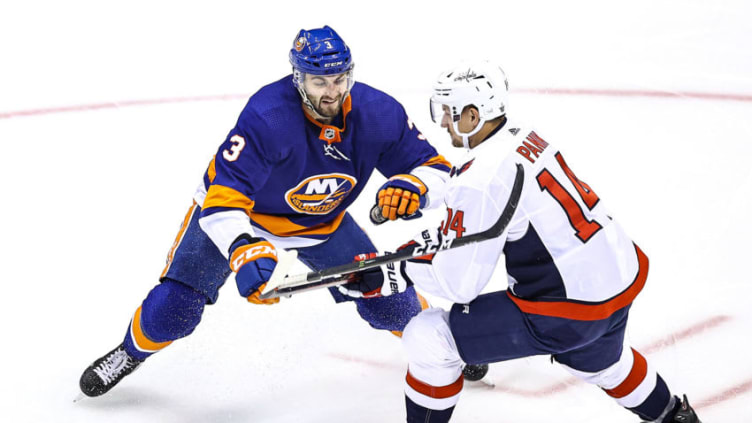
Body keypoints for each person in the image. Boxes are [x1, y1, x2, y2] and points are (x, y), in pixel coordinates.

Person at [78, 25, 455, 397]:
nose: (332, 92)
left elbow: (437, 169)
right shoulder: (269, 116)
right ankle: (129, 354)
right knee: (175, 307)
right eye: (319, 82)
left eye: (339, 79)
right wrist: (244, 247)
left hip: (323, 222)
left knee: (386, 296)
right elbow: (224, 199)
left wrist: (415, 186)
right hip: (244, 218)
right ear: (298, 78)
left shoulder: (379, 113)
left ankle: (442, 344)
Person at [345, 61, 701, 422]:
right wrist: (423, 190)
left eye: (448, 112)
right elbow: (479, 188)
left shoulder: (481, 179)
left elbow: (459, 282)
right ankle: (674, 416)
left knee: (429, 337)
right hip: (614, 281)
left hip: (566, 309)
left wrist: (395, 270)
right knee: (602, 360)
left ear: (473, 115)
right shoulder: (522, 136)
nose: (442, 123)